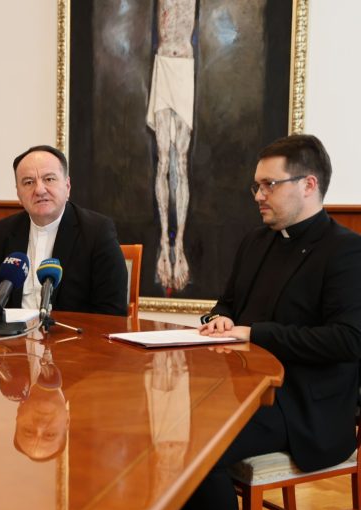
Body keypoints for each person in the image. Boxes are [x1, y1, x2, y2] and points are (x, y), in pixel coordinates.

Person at [172, 134, 361, 510]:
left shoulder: (346, 250)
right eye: (256, 186)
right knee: (171, 437)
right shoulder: (256, 241)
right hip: (245, 391)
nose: (258, 195)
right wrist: (219, 319)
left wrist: (254, 333)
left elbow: (348, 340)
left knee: (198, 454)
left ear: (309, 185)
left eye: (269, 185)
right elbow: (227, 304)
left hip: (304, 406)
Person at [0, 145, 128, 316]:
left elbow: (112, 311)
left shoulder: (97, 232)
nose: (39, 190)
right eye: (28, 182)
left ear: (67, 186)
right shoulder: (0, 233)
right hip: (12, 332)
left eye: (49, 179)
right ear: (18, 194)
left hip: (72, 332)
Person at [146, 0, 197, 292]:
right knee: (164, 159)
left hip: (184, 64)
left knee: (181, 162)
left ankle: (179, 246)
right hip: (164, 62)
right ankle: (165, 244)